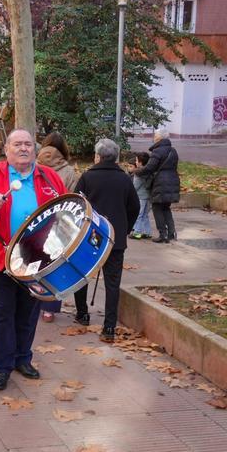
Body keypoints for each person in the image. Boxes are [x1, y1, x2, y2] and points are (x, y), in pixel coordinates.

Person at [0, 129, 66, 391]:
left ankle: (23, 358)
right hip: (2, 256)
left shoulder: (48, 176)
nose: (23, 149)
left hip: (37, 259)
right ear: (7, 150)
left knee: (28, 313)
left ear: (34, 149)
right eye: (17, 144)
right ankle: (1, 367)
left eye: (28, 144)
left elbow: (67, 209)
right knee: (2, 314)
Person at [72, 139, 140, 342]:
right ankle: (109, 327)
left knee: (82, 275)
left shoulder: (87, 177)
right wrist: (124, 229)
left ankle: (82, 313)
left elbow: (77, 204)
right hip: (115, 238)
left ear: (97, 156)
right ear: (116, 157)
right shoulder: (125, 180)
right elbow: (134, 207)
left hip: (89, 236)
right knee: (112, 283)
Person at [35, 132, 79, 322]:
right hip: (59, 224)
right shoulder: (69, 172)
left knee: (33, 263)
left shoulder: (33, 167)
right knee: (54, 265)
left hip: (35, 222)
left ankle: (32, 302)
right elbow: (73, 200)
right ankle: (49, 309)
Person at [134, 127, 180, 243]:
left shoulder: (157, 151)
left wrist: (138, 171)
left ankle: (162, 235)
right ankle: (171, 233)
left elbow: (150, 167)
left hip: (161, 182)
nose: (153, 138)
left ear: (159, 138)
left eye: (155, 136)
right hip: (173, 181)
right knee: (166, 207)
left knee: (157, 207)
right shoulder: (173, 150)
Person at [130, 152, 154, 239]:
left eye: (136, 160)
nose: (135, 162)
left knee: (138, 215)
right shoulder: (149, 172)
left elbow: (135, 187)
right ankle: (147, 232)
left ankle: (137, 232)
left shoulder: (138, 173)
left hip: (140, 197)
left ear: (140, 162)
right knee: (145, 215)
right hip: (148, 197)